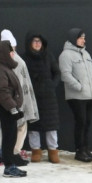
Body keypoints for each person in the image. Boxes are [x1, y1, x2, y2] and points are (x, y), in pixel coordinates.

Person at [58, 28, 92, 162]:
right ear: (74, 38)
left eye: (84, 37)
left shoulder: (85, 53)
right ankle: (79, 151)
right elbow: (65, 75)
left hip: (90, 95)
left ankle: (86, 149)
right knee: (80, 122)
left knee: (87, 122)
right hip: (76, 96)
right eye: (81, 37)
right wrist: (79, 87)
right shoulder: (66, 55)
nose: (84, 40)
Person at [21, 32, 61, 163]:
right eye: (34, 41)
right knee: (34, 125)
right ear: (29, 43)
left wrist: (51, 85)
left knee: (51, 125)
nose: (37, 43)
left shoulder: (48, 56)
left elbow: (57, 73)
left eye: (39, 41)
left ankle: (53, 151)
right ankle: (36, 151)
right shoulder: (24, 58)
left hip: (49, 97)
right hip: (32, 98)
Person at [0, 30, 37, 162]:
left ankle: (11, 155)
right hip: (13, 100)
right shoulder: (14, 61)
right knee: (17, 127)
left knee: (11, 128)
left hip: (8, 99)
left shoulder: (0, 60)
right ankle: (12, 155)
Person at [0, 39, 27, 177]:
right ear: (3, 53)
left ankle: (11, 164)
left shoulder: (4, 68)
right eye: (10, 51)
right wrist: (13, 109)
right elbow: (2, 92)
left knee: (11, 136)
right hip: (6, 108)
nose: (13, 53)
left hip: (9, 107)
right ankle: (9, 167)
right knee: (9, 137)